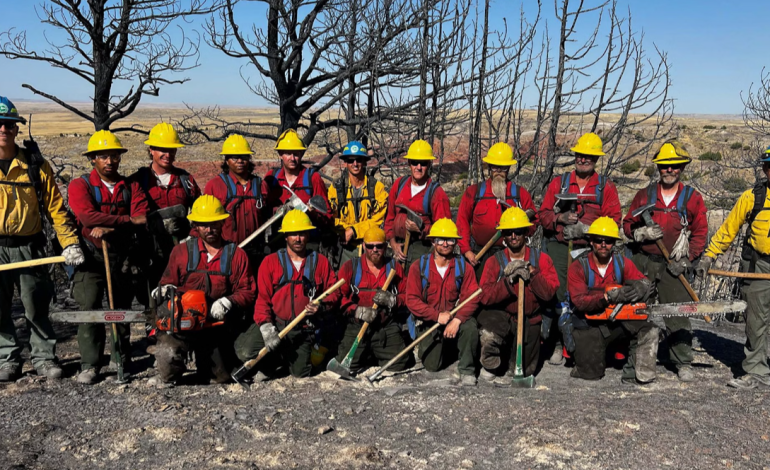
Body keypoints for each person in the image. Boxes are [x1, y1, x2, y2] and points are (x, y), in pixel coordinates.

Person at [0, 96, 85, 381]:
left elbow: (56, 208)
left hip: (30, 246)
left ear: (17, 129)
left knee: (36, 305)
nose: (4, 130)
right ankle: (6, 358)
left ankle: (44, 358)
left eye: (9, 125)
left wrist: (69, 242)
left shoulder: (35, 165)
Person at [68, 130, 150, 384]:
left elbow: (143, 218)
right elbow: (87, 217)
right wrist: (125, 221)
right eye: (103, 156)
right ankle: (90, 364)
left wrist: (111, 228)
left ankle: (120, 357)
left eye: (113, 156)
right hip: (90, 258)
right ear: (92, 159)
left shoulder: (131, 186)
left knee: (120, 309)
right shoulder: (80, 185)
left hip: (122, 257)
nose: (109, 161)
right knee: (89, 308)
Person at [622, 141, 707, 382]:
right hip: (644, 261)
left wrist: (688, 259)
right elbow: (628, 224)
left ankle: (682, 361)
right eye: (664, 167)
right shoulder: (644, 195)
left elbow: (700, 231)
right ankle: (636, 361)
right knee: (638, 310)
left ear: (681, 168)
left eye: (674, 166)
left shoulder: (692, 197)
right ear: (658, 168)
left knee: (677, 312)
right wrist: (640, 233)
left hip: (674, 265)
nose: (669, 171)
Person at [151, 195, 256, 385]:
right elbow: (166, 282)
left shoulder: (236, 254)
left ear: (222, 222)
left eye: (214, 223)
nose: (210, 229)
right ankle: (173, 368)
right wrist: (163, 290)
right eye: (204, 224)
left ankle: (208, 362)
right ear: (196, 226)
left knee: (220, 378)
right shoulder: (181, 252)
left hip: (215, 326)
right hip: (182, 322)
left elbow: (248, 291)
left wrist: (228, 301)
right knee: (168, 365)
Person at [538, 132, 622, 365]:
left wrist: (585, 230)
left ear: (596, 160)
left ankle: (582, 343)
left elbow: (614, 222)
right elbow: (542, 215)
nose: (583, 159)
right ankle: (557, 343)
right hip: (559, 247)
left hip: (591, 251)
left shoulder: (605, 187)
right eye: (579, 155)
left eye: (588, 156)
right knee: (557, 294)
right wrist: (559, 218)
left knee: (585, 297)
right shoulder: (560, 182)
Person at [694, 145, 770, 389]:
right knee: (756, 320)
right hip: (759, 266)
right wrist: (709, 256)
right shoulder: (753, 197)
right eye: (769, 167)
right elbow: (728, 230)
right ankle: (756, 371)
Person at [247, 209, 341, 379]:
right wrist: (267, 329)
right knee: (245, 350)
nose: (298, 239)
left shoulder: (320, 262)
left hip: (302, 330)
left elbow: (335, 293)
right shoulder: (270, 262)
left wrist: (320, 306)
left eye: (302, 234)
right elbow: (262, 301)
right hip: (276, 323)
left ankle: (284, 358)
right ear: (285, 236)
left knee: (301, 373)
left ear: (308, 235)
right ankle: (272, 361)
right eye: (293, 234)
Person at [567, 217, 657, 385]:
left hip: (617, 321)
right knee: (590, 373)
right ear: (591, 241)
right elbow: (579, 302)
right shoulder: (579, 267)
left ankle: (637, 373)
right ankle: (586, 361)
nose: (603, 244)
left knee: (649, 328)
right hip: (589, 323)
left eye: (608, 241)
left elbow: (644, 281)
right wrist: (606, 297)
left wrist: (641, 287)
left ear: (613, 243)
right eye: (599, 240)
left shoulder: (622, 263)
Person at [477, 208, 559, 382]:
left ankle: (512, 363)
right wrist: (507, 283)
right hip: (502, 318)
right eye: (508, 232)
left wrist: (532, 272)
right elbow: (484, 296)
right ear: (503, 236)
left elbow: (550, 293)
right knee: (489, 335)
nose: (513, 236)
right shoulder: (494, 262)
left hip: (530, 320)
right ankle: (491, 363)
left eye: (518, 231)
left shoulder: (542, 259)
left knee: (524, 371)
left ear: (526, 233)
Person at [405, 218, 480, 386]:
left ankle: (467, 369)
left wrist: (457, 319)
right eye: (440, 239)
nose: (445, 244)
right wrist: (436, 316)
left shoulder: (463, 267)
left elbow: (473, 296)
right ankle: (451, 349)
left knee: (470, 328)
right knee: (432, 366)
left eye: (450, 240)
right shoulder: (419, 266)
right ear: (432, 241)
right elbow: (411, 300)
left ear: (456, 242)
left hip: (454, 319)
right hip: (431, 322)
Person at [129, 123, 201, 293]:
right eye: (162, 149)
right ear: (151, 150)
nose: (168, 155)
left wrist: (192, 236)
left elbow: (200, 213)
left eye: (172, 150)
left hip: (182, 254)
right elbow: (132, 217)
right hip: (149, 255)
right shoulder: (137, 180)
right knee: (151, 301)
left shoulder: (186, 180)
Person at [456, 142, 538, 279]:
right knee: (480, 295)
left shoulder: (520, 194)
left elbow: (534, 222)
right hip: (479, 256)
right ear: (489, 167)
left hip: (510, 255)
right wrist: (467, 251)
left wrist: (521, 234)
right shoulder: (474, 192)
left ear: (509, 168)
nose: (499, 170)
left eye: (503, 167)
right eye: (495, 166)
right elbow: (462, 222)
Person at [334, 227, 409, 373]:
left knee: (399, 364)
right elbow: (338, 298)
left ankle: (375, 350)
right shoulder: (351, 267)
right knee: (348, 366)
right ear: (363, 246)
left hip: (385, 326)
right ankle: (368, 352)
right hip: (358, 326)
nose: (375, 249)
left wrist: (393, 300)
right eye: (370, 246)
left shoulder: (394, 267)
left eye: (379, 246)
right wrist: (356, 311)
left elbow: (407, 295)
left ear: (385, 246)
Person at [385, 140, 452, 267]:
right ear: (409, 163)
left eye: (423, 163)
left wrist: (421, 229)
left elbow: (444, 234)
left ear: (429, 164)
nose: (419, 167)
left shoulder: (437, 194)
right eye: (415, 163)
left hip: (422, 251)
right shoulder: (399, 185)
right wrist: (393, 243)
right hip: (397, 250)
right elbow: (389, 218)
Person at [264, 129, 332, 253]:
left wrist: (312, 214)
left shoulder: (313, 179)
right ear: (280, 154)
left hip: (308, 245)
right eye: (288, 153)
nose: (292, 158)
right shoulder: (272, 178)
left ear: (301, 154)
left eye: (296, 154)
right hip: (278, 244)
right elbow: (262, 212)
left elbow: (327, 216)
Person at [204, 134, 268, 265]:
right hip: (225, 254)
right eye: (234, 157)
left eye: (244, 157)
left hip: (256, 254)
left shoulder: (261, 185)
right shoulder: (215, 186)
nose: (240, 161)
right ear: (226, 160)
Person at [328, 141, 388, 268]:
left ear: (365, 162)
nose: (355, 164)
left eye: (359, 160)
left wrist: (354, 230)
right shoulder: (336, 188)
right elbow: (331, 217)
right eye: (350, 160)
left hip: (371, 248)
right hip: (344, 248)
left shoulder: (377, 188)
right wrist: (345, 231)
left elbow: (377, 220)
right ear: (345, 163)